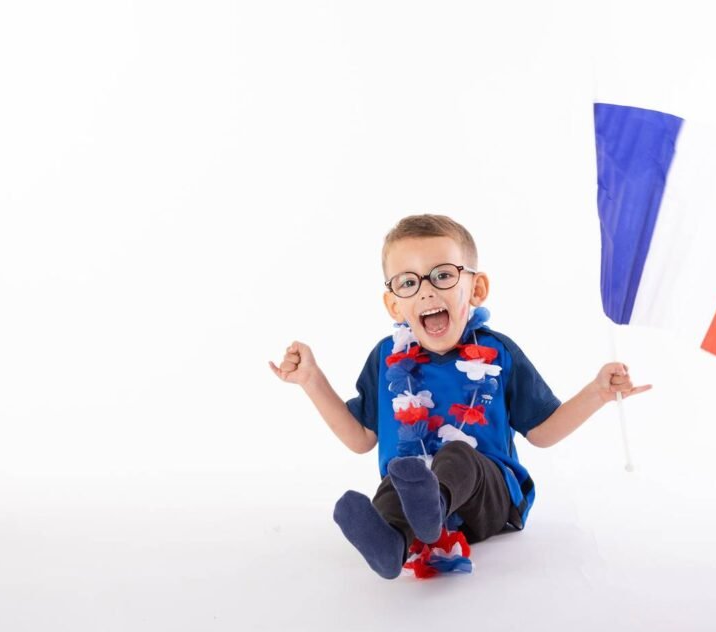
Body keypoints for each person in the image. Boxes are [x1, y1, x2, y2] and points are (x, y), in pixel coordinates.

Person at [269, 214, 650, 579]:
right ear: (394, 304)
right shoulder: (386, 357)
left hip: (490, 499)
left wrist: (597, 393)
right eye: (408, 282)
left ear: (477, 289)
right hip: (410, 489)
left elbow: (543, 432)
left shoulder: (497, 353)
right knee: (399, 477)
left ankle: (432, 506)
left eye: (443, 275)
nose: (427, 290)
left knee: (456, 455)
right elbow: (360, 438)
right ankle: (392, 545)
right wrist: (311, 380)